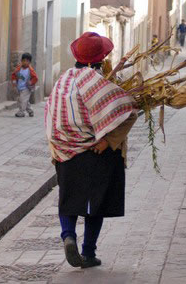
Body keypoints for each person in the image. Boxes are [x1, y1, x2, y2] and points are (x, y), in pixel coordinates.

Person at [45, 32, 138, 269]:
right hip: (97, 151)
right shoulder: (99, 83)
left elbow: (50, 114)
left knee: (68, 198)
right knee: (96, 203)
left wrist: (57, 148)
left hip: (66, 152)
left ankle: (68, 235)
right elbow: (127, 109)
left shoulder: (62, 81)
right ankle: (88, 253)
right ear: (100, 60)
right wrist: (108, 141)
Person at [10, 53, 38, 117]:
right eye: (23, 61)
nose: (25, 62)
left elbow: (35, 78)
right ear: (21, 61)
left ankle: (21, 112)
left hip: (27, 88)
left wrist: (30, 82)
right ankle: (30, 110)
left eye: (27, 61)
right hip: (19, 87)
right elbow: (14, 75)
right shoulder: (19, 69)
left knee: (22, 99)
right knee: (25, 100)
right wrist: (14, 83)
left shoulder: (30, 70)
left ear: (29, 62)